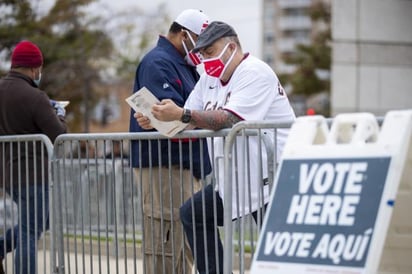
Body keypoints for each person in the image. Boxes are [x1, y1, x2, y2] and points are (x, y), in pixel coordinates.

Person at [135, 21, 296, 274]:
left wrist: (183, 114)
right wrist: (155, 120)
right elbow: (187, 118)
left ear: (231, 47)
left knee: (279, 251)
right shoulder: (209, 79)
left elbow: (229, 119)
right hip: (235, 180)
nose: (204, 60)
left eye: (209, 53)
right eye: (201, 55)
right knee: (194, 213)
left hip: (271, 178)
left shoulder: (255, 72)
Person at [128, 9, 212, 274]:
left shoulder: (185, 66)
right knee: (164, 242)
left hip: (184, 166)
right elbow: (168, 117)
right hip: (166, 164)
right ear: (183, 33)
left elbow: (189, 113)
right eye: (200, 39)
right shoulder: (158, 62)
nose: (202, 48)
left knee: (183, 243)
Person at [0, 41, 67, 274]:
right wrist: (59, 113)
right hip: (33, 175)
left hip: (9, 174)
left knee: (40, 222)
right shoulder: (35, 96)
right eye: (40, 68)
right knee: (31, 231)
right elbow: (58, 135)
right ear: (34, 69)